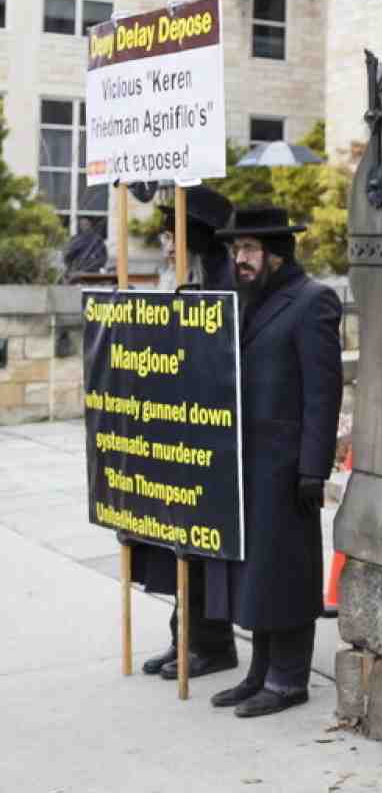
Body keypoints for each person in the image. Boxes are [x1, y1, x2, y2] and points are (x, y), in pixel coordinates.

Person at [207, 206, 344, 718]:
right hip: (247, 462)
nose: (239, 259)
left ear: (276, 253)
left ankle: (290, 680)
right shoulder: (247, 300)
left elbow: (322, 391)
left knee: (285, 572)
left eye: (248, 250)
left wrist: (313, 468)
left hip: (288, 466)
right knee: (257, 572)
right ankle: (260, 672)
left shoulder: (312, 301)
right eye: (235, 249)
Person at [134, 184, 239, 680]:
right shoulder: (180, 276)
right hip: (179, 433)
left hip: (212, 435)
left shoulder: (222, 281)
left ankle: (210, 643)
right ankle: (183, 637)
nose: (166, 242)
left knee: (203, 550)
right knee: (178, 546)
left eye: (173, 231)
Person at [61, 217, 108, 281]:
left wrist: (90, 268)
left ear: (90, 225)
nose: (83, 226)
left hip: (91, 273)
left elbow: (102, 258)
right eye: (81, 224)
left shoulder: (97, 240)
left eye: (86, 224)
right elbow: (68, 255)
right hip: (75, 272)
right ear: (79, 226)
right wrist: (70, 267)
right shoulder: (75, 239)